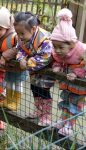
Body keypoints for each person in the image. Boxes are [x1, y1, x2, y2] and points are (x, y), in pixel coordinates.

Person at [14, 12, 54, 126]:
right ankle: (38, 111)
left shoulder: (44, 39)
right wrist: (20, 59)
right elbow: (19, 49)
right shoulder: (23, 37)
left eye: (22, 33)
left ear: (33, 28)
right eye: (17, 33)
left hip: (45, 70)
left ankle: (46, 115)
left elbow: (46, 57)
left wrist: (27, 63)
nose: (20, 36)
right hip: (33, 70)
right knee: (34, 89)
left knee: (44, 91)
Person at [50, 8, 86, 136]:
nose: (57, 50)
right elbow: (59, 59)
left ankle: (69, 127)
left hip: (80, 87)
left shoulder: (81, 51)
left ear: (71, 44)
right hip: (67, 85)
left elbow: (84, 65)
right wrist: (57, 66)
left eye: (61, 47)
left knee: (74, 107)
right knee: (65, 104)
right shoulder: (60, 52)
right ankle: (62, 121)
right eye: (55, 46)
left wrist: (77, 73)